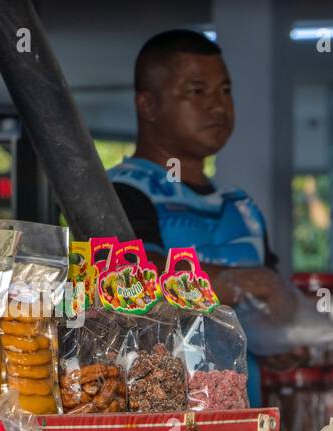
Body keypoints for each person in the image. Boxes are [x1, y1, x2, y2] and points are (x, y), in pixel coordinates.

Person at [110, 29, 295, 407]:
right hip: (158, 429)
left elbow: (271, 302)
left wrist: (280, 340)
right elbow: (132, 278)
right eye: (197, 91)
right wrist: (233, 282)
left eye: (224, 91)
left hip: (245, 422)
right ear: (148, 106)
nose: (218, 106)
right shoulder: (122, 192)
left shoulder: (241, 209)